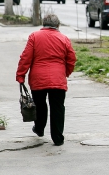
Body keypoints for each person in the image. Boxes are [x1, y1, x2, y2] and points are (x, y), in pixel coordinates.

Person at [16, 14, 76, 146]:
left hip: (38, 79)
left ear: (43, 24)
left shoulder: (34, 36)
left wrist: (20, 75)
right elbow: (71, 59)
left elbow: (25, 57)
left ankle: (39, 129)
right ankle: (58, 138)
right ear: (58, 25)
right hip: (58, 79)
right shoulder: (64, 39)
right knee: (57, 108)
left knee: (40, 106)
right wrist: (65, 73)